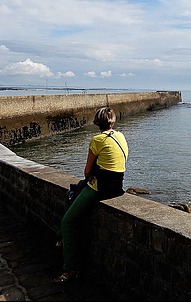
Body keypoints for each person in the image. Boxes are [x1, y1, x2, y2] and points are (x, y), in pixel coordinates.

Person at [54, 106, 129, 283]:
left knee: (68, 221)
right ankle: (63, 237)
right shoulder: (120, 135)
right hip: (117, 186)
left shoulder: (97, 139)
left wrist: (87, 180)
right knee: (69, 194)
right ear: (112, 121)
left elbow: (88, 171)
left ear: (97, 122)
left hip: (101, 187)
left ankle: (69, 270)